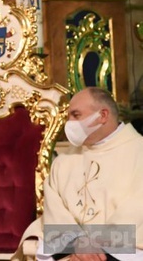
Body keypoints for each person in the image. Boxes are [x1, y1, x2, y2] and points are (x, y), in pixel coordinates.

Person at [14, 87, 143, 260]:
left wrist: (91, 248)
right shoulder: (65, 159)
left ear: (103, 115)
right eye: (68, 117)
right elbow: (55, 210)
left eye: (76, 115)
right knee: (43, 245)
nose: (69, 123)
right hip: (72, 246)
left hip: (121, 248)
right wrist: (78, 243)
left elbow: (136, 214)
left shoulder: (138, 152)